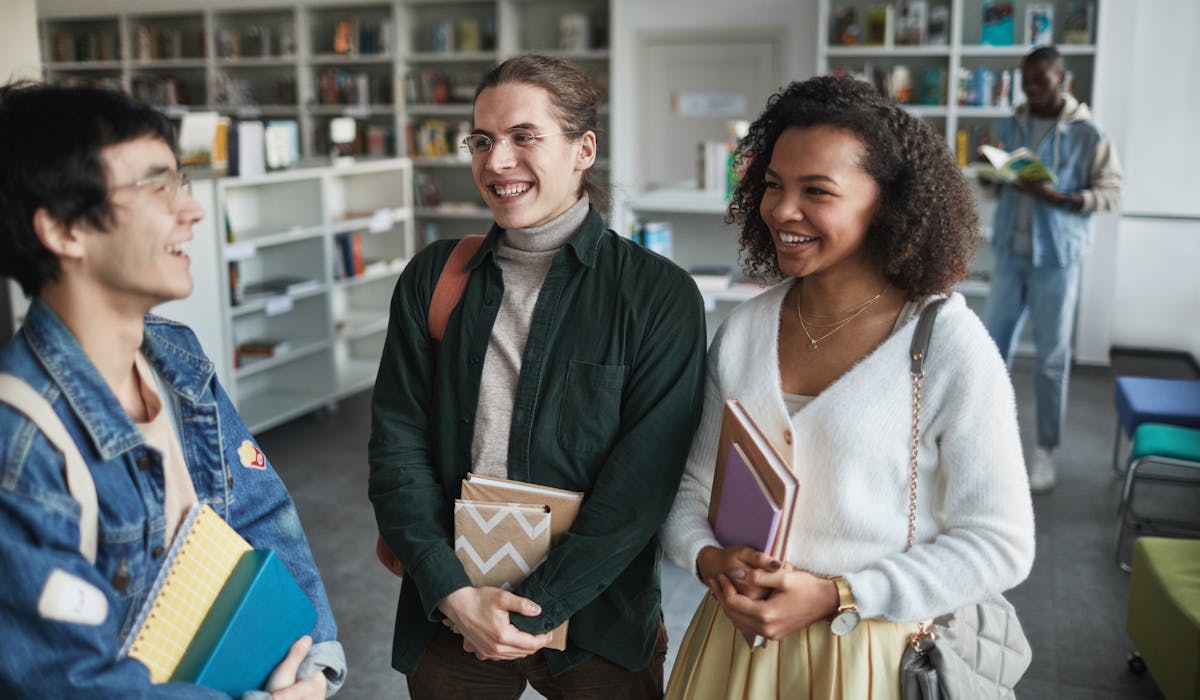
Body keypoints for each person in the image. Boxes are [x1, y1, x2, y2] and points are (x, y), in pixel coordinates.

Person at [658, 75, 1036, 698]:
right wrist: (708, 558)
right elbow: (692, 488)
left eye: (817, 191)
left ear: (886, 204)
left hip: (871, 655)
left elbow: (1000, 543)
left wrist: (839, 593)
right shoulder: (745, 329)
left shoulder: (945, 344)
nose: (782, 210)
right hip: (736, 648)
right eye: (773, 185)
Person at [368, 55, 706, 699]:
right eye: (484, 140)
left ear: (583, 149)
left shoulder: (657, 295)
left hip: (598, 618)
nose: (497, 162)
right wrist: (453, 594)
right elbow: (396, 449)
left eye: (525, 137)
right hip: (453, 610)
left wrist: (535, 609)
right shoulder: (434, 278)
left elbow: (640, 487)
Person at [0, 82, 345, 699]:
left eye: (178, 181)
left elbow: (261, 518)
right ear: (62, 230)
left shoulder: (176, 355)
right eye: (154, 185)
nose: (192, 209)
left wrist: (312, 667)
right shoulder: (19, 442)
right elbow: (74, 685)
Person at [983, 45, 1122, 493]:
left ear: (1064, 81)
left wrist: (1064, 198)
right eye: (1026, 81)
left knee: (1050, 361)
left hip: (1057, 261)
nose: (1032, 89)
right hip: (1009, 253)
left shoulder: (1090, 133)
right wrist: (992, 175)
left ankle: (1046, 451)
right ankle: (985, 443)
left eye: (1041, 80)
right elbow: (997, 187)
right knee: (990, 356)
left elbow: (1110, 193)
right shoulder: (1013, 122)